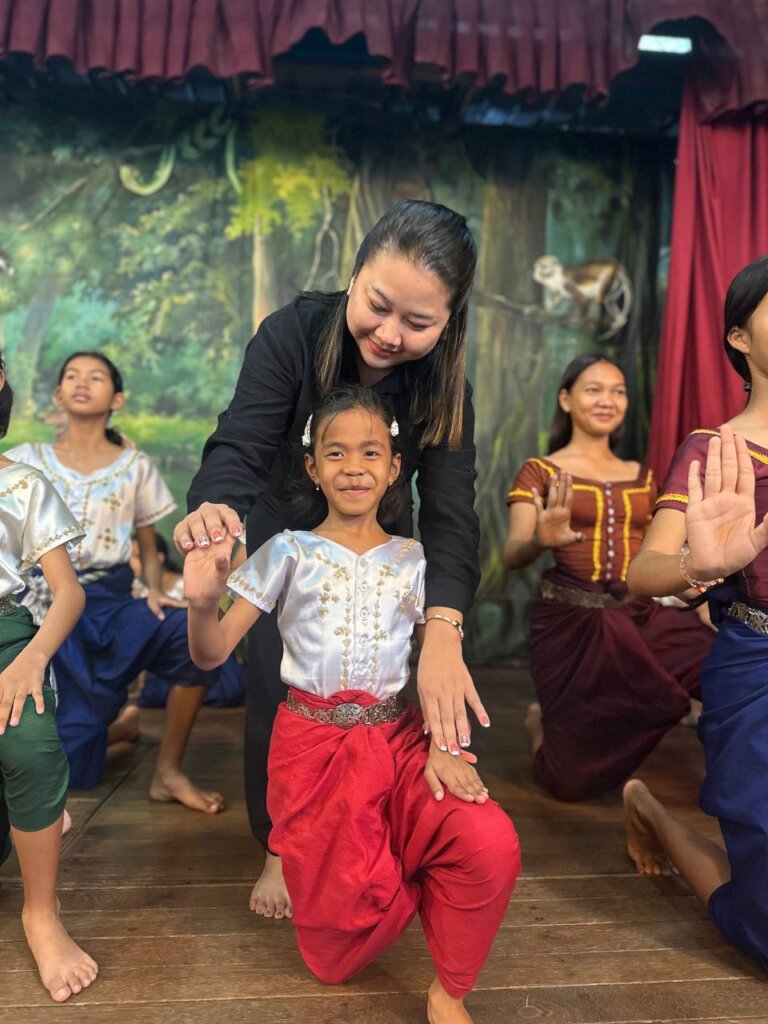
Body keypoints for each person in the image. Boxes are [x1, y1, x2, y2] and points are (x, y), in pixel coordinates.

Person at [175, 200, 486, 917]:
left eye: (418, 322)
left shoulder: (447, 387)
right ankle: (278, 845)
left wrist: (444, 628)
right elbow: (242, 441)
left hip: (379, 537)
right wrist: (217, 509)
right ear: (354, 275)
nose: (390, 334)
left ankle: (369, 826)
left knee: (380, 695)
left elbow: (450, 513)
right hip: (282, 528)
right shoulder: (292, 334)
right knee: (278, 689)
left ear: (450, 320)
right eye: (378, 305)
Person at [185, 386, 520, 1024]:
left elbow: (437, 672)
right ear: (312, 469)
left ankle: (448, 991)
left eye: (371, 452)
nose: (354, 467)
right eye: (335, 453)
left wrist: (445, 747)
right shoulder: (287, 550)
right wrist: (202, 605)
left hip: (398, 743)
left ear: (396, 468)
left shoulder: (417, 561)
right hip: (310, 754)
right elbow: (211, 653)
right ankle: (386, 873)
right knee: (334, 957)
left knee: (488, 841)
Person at [625, 255, 768, 974]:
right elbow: (643, 573)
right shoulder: (713, 451)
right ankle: (651, 811)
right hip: (757, 671)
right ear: (739, 336)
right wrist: (703, 565)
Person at [6, 352, 223, 813]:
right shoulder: (24, 460)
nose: (82, 383)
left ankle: (168, 770)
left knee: (190, 635)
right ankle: (119, 728)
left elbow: (147, 541)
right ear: (58, 394)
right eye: (72, 376)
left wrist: (155, 590)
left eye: (96, 377)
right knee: (72, 768)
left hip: (109, 599)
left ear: (117, 399)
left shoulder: (135, 465)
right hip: (41, 603)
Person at [503, 354, 713, 801]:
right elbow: (511, 554)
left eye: (618, 391)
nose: (608, 400)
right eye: (594, 389)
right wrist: (540, 540)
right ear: (566, 399)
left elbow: (663, 552)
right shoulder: (540, 470)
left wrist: (701, 592)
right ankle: (541, 724)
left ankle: (738, 781)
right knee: (567, 783)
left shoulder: (643, 476)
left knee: (722, 668)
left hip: (640, 615)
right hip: (573, 625)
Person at [0, 353, 99, 1002]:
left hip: (8, 639)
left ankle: (41, 911)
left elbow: (68, 593)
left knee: (30, 746)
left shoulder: (21, 484)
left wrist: (32, 657)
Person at [131, 534, 246, 709]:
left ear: (159, 557)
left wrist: (196, 607)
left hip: (198, 655)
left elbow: (220, 617)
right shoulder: (138, 591)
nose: (131, 562)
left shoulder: (187, 583)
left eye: (136, 556)